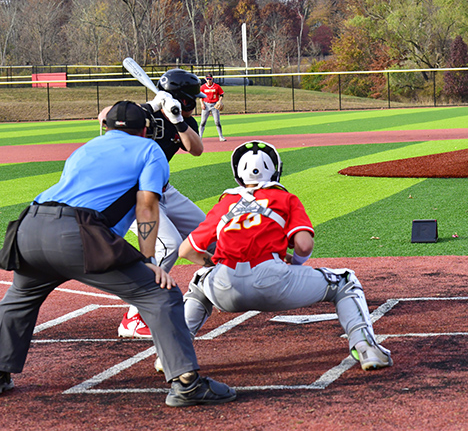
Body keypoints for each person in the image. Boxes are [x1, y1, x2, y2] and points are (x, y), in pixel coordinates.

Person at [0, 101, 235, 406]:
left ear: (107, 126)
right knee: (160, 295)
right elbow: (147, 206)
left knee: (20, 299)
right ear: (146, 130)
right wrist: (149, 261)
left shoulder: (86, 148)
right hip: (76, 233)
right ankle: (187, 383)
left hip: (28, 226)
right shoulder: (149, 149)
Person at [157, 141, 393, 373]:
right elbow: (303, 244)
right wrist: (296, 264)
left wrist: (214, 263)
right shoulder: (285, 198)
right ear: (275, 171)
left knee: (199, 281)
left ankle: (172, 355)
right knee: (345, 281)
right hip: (273, 281)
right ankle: (366, 348)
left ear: (238, 174)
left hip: (223, 286)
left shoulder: (225, 203)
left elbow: (186, 251)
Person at [99, 69, 209, 340]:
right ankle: (133, 318)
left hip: (164, 190)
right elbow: (105, 117)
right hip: (137, 195)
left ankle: (225, 284)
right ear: (182, 97)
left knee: (208, 233)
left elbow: (196, 149)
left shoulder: (183, 117)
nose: (196, 102)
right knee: (168, 246)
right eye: (192, 98)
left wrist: (178, 120)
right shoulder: (140, 114)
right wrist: (149, 107)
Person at [199, 73, 226, 142]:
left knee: (217, 122)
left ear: (212, 79)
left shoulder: (216, 86)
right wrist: (202, 104)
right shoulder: (202, 87)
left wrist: (219, 101)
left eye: (210, 79)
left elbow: (222, 94)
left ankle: (221, 136)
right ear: (205, 79)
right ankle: (199, 137)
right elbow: (200, 97)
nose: (208, 80)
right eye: (207, 79)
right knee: (203, 122)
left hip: (214, 105)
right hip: (206, 105)